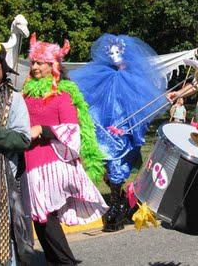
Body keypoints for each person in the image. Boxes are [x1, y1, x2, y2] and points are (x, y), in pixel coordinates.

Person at [22, 33, 108, 265]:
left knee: (46, 218)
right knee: (40, 221)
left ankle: (66, 262)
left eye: (40, 63)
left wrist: (43, 129)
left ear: (53, 66)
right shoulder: (26, 93)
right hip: (29, 163)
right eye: (33, 62)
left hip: (52, 164)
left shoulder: (63, 94)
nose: (35, 67)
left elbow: (72, 130)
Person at [70, 34, 167, 232]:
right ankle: (121, 201)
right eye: (110, 52)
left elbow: (140, 108)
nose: (114, 56)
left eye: (118, 52)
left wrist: (128, 128)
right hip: (104, 129)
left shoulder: (133, 80)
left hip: (122, 131)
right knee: (102, 160)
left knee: (117, 163)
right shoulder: (100, 76)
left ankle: (115, 206)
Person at [0, 39, 33, 265]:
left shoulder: (14, 98)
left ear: (3, 69)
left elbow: (23, 139)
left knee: (2, 237)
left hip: (0, 180)